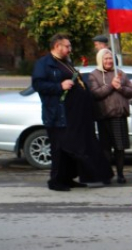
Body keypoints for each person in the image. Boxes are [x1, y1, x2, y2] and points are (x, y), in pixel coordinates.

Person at [32, 33, 105, 191]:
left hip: (72, 114)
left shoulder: (66, 62)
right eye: (67, 46)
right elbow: (38, 85)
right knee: (59, 149)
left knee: (71, 148)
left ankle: (69, 178)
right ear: (57, 46)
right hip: (57, 114)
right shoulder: (44, 63)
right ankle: (56, 181)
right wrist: (59, 86)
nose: (69, 49)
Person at [88, 48, 132, 184]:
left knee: (120, 148)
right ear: (100, 60)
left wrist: (120, 87)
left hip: (119, 116)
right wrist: (111, 86)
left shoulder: (120, 74)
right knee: (106, 149)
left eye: (110, 59)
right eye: (106, 59)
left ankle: (120, 174)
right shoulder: (94, 75)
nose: (109, 61)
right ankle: (107, 175)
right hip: (104, 116)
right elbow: (96, 93)